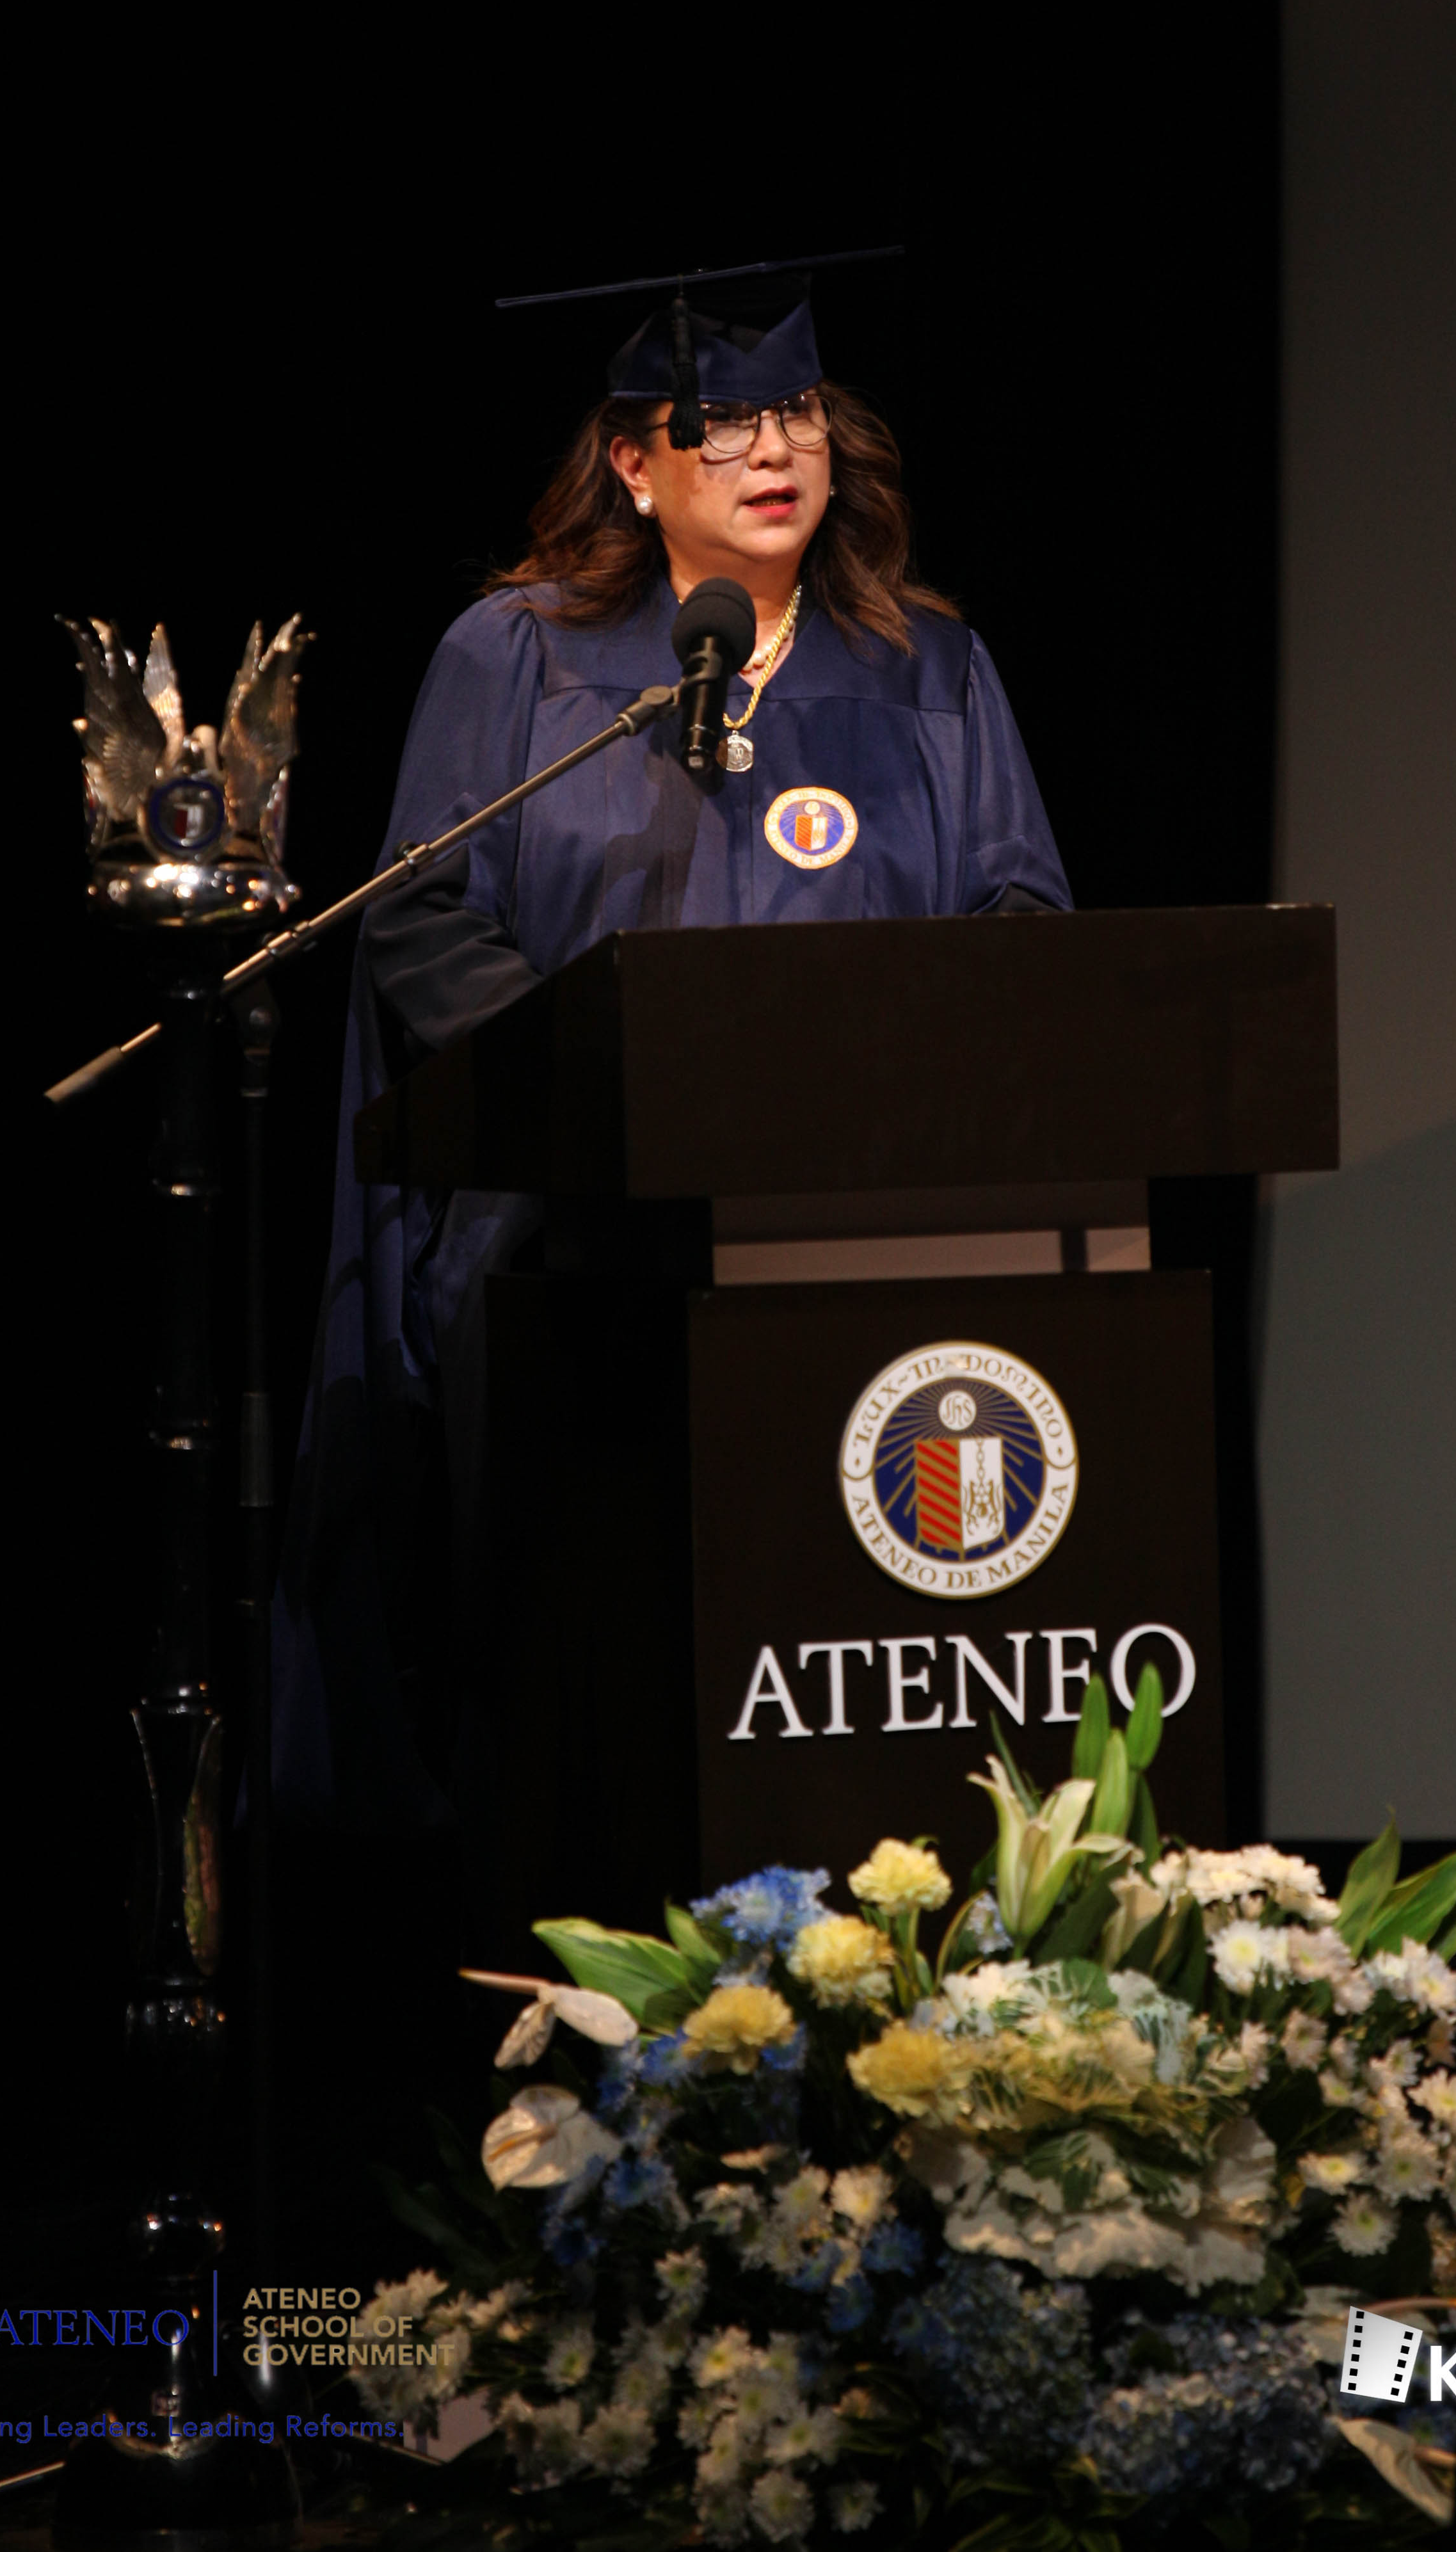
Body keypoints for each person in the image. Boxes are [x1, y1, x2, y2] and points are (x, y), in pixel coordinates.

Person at [273, 268, 1069, 1836]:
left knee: (837, 1652)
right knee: (599, 1683)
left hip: (862, 1250)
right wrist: (620, 1093)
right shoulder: (517, 659)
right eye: (721, 428)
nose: (773, 452)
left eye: (798, 419)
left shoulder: (931, 669)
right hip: (568, 1250)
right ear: (635, 468)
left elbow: (1020, 922)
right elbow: (424, 922)